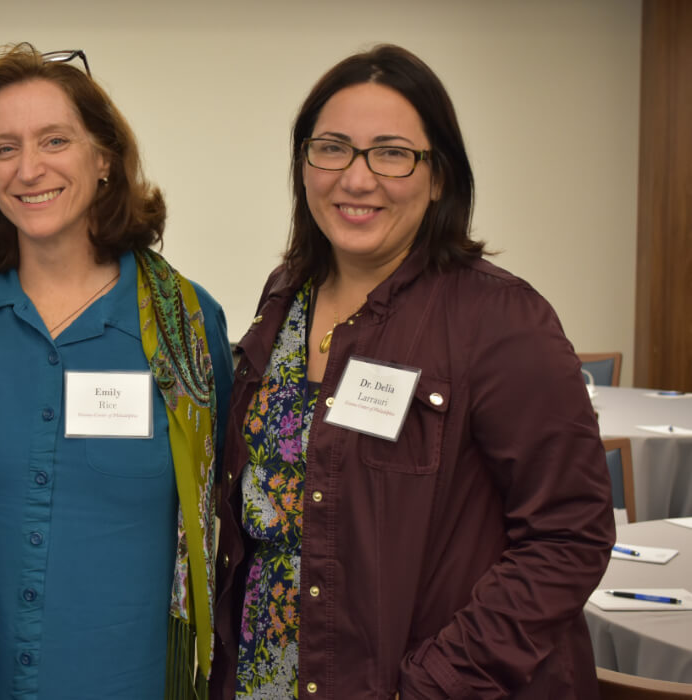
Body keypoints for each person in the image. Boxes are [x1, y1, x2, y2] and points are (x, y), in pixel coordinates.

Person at [209, 44, 615, 699]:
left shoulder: (501, 319)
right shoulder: (285, 297)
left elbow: (570, 535)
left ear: (440, 176)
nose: (357, 178)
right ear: (304, 163)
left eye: (392, 153)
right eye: (333, 147)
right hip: (270, 672)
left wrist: (437, 684)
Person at [0, 44, 234, 700]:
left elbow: (227, 500)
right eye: (4, 148)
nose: (28, 169)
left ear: (105, 157)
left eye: (54, 140)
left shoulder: (188, 325)